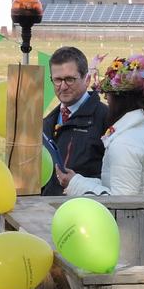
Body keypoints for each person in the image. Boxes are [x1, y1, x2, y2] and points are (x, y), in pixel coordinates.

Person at [60, 53, 144, 196]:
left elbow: (120, 202)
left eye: (109, 94)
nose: (106, 99)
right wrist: (76, 180)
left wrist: (74, 184)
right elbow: (119, 186)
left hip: (135, 211)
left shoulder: (124, 143)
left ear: (122, 100)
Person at [41, 46, 109, 196]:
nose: (63, 86)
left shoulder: (106, 119)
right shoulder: (46, 123)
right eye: (57, 80)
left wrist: (76, 183)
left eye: (70, 79)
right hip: (48, 207)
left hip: (86, 207)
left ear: (87, 79)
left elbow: (114, 179)